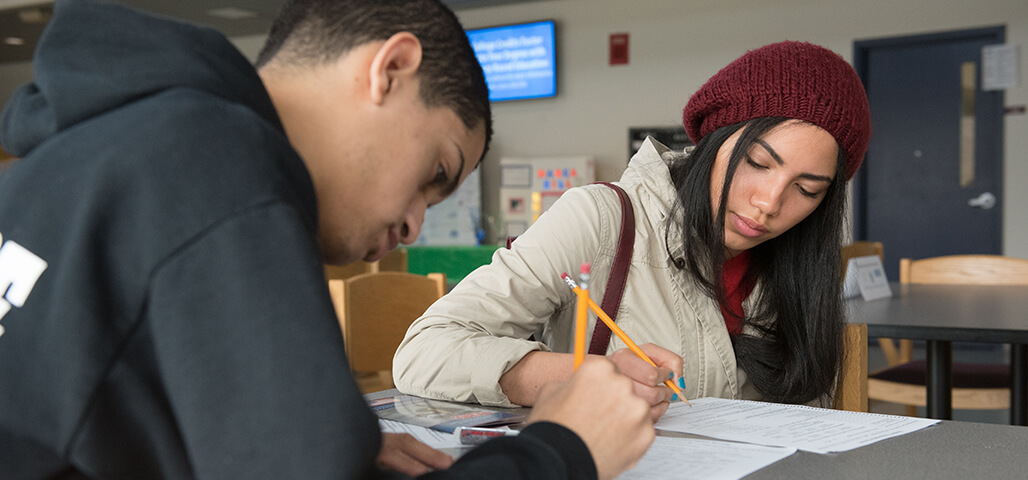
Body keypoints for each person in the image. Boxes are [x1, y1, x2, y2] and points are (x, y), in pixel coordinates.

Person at [0, 1, 655, 479]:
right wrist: (561, 449)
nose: (414, 226)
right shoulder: (216, 162)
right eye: (435, 173)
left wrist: (317, 443)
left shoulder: (109, 149)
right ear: (391, 69)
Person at [394, 41, 872, 418]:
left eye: (807, 190)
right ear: (713, 141)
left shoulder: (796, 269)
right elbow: (425, 351)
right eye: (757, 163)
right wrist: (582, 374)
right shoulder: (600, 220)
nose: (769, 203)